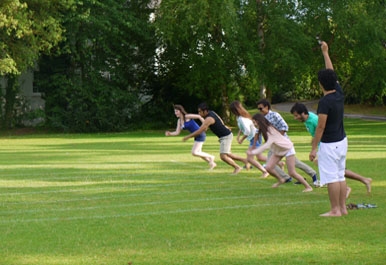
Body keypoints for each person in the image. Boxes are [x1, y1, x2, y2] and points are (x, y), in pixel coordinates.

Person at [290, 102, 372, 195]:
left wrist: (315, 149)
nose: (295, 118)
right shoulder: (307, 120)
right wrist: (313, 145)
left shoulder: (314, 120)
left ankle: (349, 187)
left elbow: (322, 131)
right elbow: (315, 134)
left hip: (328, 146)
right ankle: (363, 181)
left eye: (296, 115)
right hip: (324, 146)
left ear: (303, 113)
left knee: (334, 169)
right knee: (336, 169)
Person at [309, 41, 348, 217]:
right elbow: (331, 73)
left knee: (332, 178)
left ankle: (334, 210)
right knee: (340, 176)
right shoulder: (338, 93)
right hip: (342, 141)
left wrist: (313, 147)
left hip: (330, 145)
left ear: (320, 84)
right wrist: (325, 53)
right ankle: (343, 208)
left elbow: (321, 126)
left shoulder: (325, 102)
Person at [257, 99, 320, 186]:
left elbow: (285, 126)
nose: (260, 111)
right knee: (275, 164)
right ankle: (288, 177)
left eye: (261, 108)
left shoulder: (275, 115)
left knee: (274, 163)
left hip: (283, 143)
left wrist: (278, 138)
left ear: (267, 107)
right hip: (275, 144)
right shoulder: (263, 118)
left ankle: (307, 177)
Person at [247, 114, 313, 192]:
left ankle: (308, 187)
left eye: (254, 122)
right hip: (279, 150)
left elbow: (267, 144)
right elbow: (258, 135)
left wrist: (253, 152)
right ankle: (281, 179)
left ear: (259, 122)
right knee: (268, 167)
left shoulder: (270, 130)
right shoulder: (263, 129)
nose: (254, 124)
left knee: (291, 172)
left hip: (288, 149)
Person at [183, 102, 249, 174]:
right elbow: (219, 120)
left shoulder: (209, 119)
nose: (199, 114)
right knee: (228, 154)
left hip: (225, 136)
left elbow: (200, 131)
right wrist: (224, 126)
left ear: (205, 111)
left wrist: (188, 136)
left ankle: (237, 167)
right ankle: (245, 160)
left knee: (223, 156)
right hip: (224, 136)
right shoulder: (212, 112)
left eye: (200, 112)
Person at [165, 104, 216, 170]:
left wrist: (204, 125)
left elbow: (199, 116)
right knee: (199, 152)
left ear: (180, 111)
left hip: (200, 134)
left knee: (194, 152)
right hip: (196, 136)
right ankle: (212, 163)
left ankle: (211, 157)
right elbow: (177, 132)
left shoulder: (187, 116)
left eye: (177, 111)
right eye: (175, 111)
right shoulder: (179, 121)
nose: (175, 113)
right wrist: (170, 134)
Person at [229, 101, 269, 178]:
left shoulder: (241, 118)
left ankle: (265, 172)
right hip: (253, 137)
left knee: (250, 158)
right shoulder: (241, 117)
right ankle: (279, 163)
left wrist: (242, 139)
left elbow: (247, 131)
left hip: (255, 137)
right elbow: (242, 128)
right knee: (259, 157)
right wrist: (238, 136)